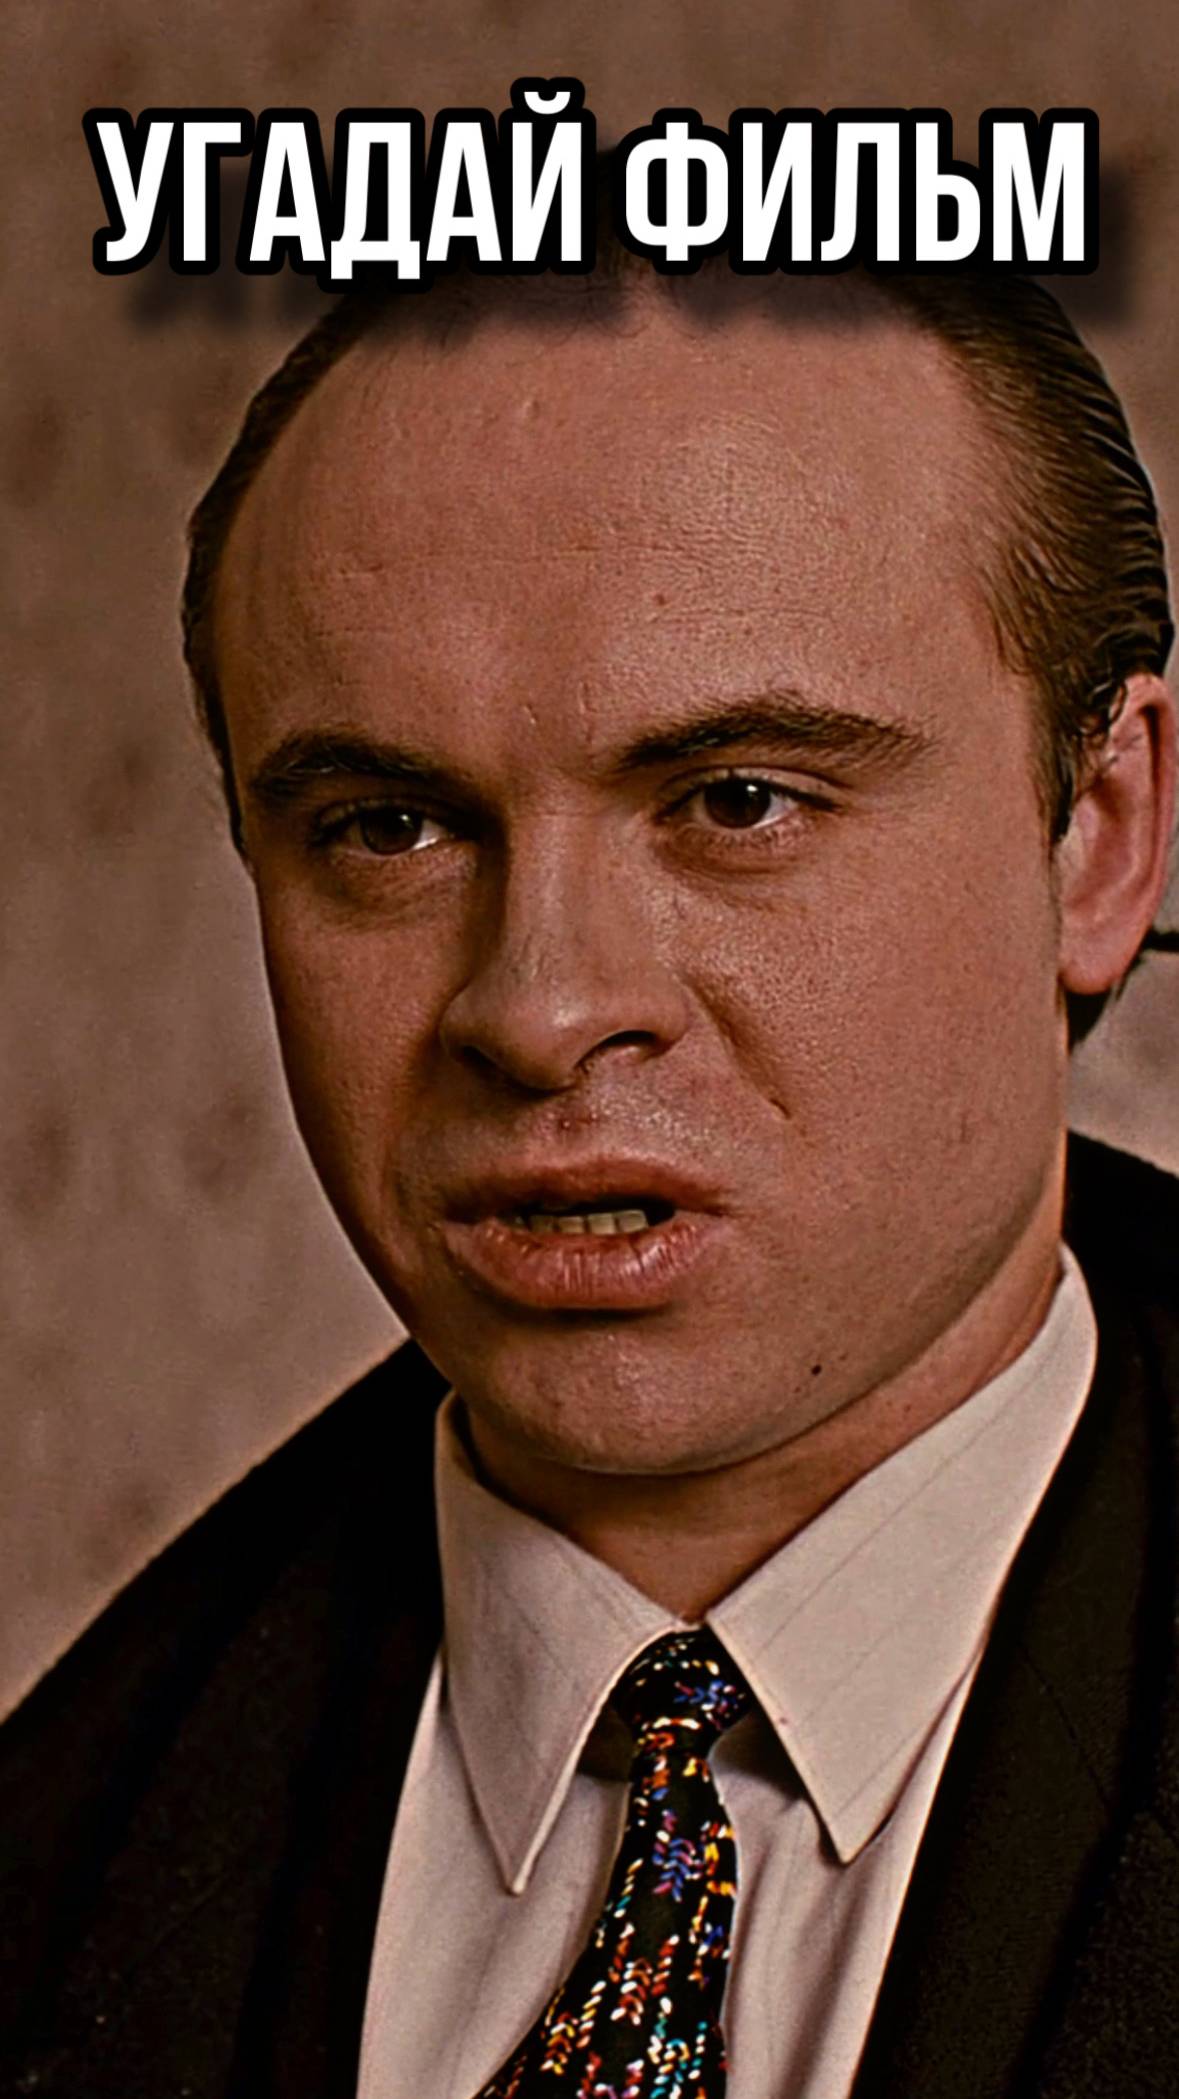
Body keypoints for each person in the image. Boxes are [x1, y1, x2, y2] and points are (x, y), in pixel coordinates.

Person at [3, 242, 1178, 2099]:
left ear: (1098, 836)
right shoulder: (53, 1856)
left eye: (738, 800)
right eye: (386, 827)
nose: (538, 1008)